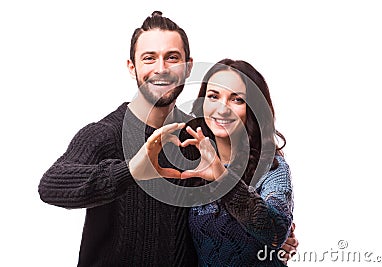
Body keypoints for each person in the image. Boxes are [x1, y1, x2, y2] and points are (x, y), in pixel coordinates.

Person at [38, 11, 298, 266]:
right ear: (132, 67)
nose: (161, 69)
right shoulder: (105, 133)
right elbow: (51, 186)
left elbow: (238, 214)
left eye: (172, 58)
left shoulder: (197, 136)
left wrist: (271, 242)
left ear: (188, 68)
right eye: (149, 58)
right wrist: (130, 171)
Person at [179, 59, 294, 266]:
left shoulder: (272, 168)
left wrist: (222, 178)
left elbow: (276, 233)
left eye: (237, 100)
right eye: (213, 96)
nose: (222, 109)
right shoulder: (189, 160)